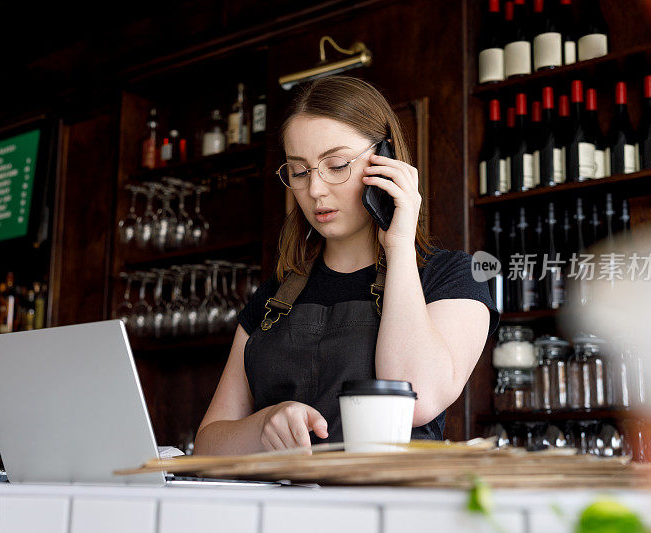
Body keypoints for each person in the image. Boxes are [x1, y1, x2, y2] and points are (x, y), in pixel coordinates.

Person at [194, 76, 498, 455]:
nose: (315, 190)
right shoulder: (275, 295)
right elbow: (207, 445)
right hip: (280, 511)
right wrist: (265, 425)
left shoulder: (451, 277)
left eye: (336, 165)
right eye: (299, 171)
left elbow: (417, 399)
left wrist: (399, 245)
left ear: (386, 160)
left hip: (387, 509)